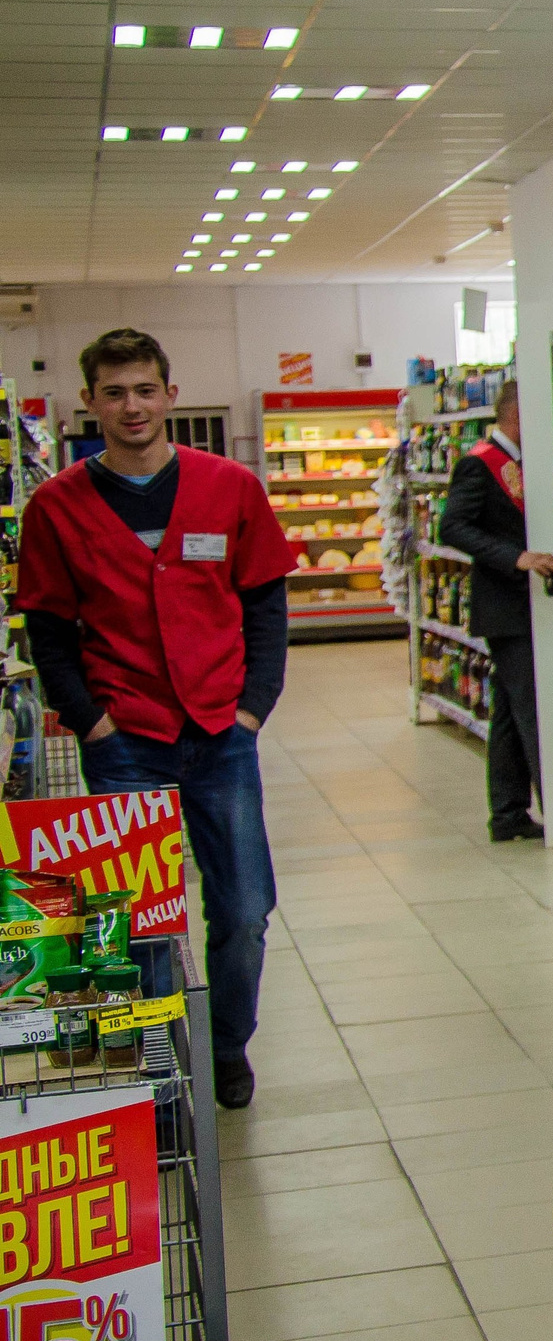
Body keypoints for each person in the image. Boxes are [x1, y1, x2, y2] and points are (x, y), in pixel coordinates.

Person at [15, 328, 295, 1111]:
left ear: (170, 395)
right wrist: (91, 719)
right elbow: (46, 629)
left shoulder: (229, 487)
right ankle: (160, 1064)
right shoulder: (56, 506)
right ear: (90, 404)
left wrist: (251, 708)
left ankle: (225, 1047)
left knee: (242, 911)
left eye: (144, 389)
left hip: (219, 732)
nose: (131, 406)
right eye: (114, 393)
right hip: (125, 739)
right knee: (136, 920)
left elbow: (265, 606)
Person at [439, 378, 553, 842]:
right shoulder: (480, 465)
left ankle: (508, 813)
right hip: (507, 607)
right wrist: (516, 557)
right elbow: (453, 527)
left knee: (510, 711)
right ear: (521, 416)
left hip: (524, 605)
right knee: (533, 707)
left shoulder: (526, 463)